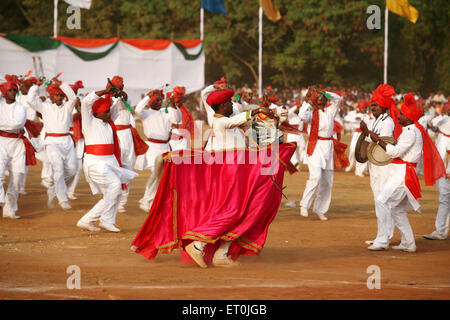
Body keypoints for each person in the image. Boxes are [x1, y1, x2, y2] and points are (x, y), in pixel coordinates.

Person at [184, 88, 275, 268]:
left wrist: (269, 117)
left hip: (240, 172)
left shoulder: (233, 125)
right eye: (230, 102)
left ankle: (221, 254)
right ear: (223, 105)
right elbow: (237, 120)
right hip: (229, 174)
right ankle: (197, 245)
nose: (233, 104)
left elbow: (249, 130)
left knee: (243, 212)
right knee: (231, 212)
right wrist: (256, 111)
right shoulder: (220, 123)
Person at [369, 93, 446, 252]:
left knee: (383, 201)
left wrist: (377, 140)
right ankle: (408, 243)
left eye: (402, 114)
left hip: (403, 174)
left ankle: (383, 240)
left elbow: (395, 152)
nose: (399, 116)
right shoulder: (412, 130)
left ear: (410, 118)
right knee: (397, 209)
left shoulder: (411, 132)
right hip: (402, 172)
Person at [76, 85, 138, 232]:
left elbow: (123, 105)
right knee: (115, 185)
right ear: (96, 113)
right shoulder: (89, 121)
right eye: (105, 112)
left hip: (111, 162)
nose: (109, 114)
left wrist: (118, 94)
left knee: (113, 194)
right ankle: (106, 220)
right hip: (96, 163)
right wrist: (104, 92)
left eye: (109, 111)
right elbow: (85, 103)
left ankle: (86, 220)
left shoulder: (109, 123)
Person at [27, 76, 78, 210]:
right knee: (58, 170)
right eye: (57, 95)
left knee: (72, 170)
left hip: (67, 141)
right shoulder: (45, 107)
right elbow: (30, 99)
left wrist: (62, 84)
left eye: (61, 95)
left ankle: (53, 190)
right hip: (52, 143)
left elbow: (73, 97)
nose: (60, 97)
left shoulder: (68, 106)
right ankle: (63, 199)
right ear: (51, 96)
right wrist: (36, 86)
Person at [359, 84, 396, 250]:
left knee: (382, 202)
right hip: (375, 166)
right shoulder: (377, 121)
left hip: (383, 167)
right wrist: (366, 131)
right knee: (379, 201)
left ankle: (383, 238)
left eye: (376, 105)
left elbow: (384, 144)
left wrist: (370, 135)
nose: (372, 107)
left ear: (384, 107)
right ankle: (383, 235)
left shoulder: (387, 122)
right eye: (372, 104)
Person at [298, 88, 343, 221]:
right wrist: (306, 103)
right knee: (316, 177)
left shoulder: (330, 111)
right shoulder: (311, 114)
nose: (322, 99)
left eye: (324, 98)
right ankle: (304, 204)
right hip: (315, 146)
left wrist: (327, 93)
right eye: (319, 98)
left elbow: (338, 99)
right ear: (315, 101)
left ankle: (320, 209)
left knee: (327, 182)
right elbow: (301, 116)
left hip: (328, 148)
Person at [134, 89, 181, 212]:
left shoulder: (165, 112)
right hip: (153, 148)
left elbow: (177, 119)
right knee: (155, 173)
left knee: (162, 176)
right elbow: (137, 110)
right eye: (156, 100)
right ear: (150, 102)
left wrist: (173, 104)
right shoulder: (145, 113)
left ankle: (149, 200)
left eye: (161, 100)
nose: (159, 102)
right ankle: (147, 200)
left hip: (165, 147)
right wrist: (147, 96)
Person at [0, 75, 36, 219]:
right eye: (10, 90)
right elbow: (13, 123)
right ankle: (0, 200)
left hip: (18, 144)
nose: (13, 93)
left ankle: (10, 210)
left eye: (14, 90)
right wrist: (9, 123)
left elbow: (18, 124)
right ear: (4, 92)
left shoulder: (21, 107)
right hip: (1, 142)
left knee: (17, 177)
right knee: (0, 173)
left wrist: (3, 122)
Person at [424, 102, 450, 240]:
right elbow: (430, 124)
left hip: (445, 169)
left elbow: (430, 123)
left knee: (445, 199)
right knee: (445, 199)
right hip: (442, 166)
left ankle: (441, 231)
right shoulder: (443, 121)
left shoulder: (444, 121)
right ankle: (441, 230)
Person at [66, 80, 85, 200]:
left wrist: (79, 107)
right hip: (67, 136)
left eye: (75, 91)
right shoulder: (62, 104)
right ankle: (61, 188)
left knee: (78, 168)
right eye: (72, 91)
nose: (74, 93)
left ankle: (71, 191)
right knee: (66, 167)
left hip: (79, 138)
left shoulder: (80, 103)